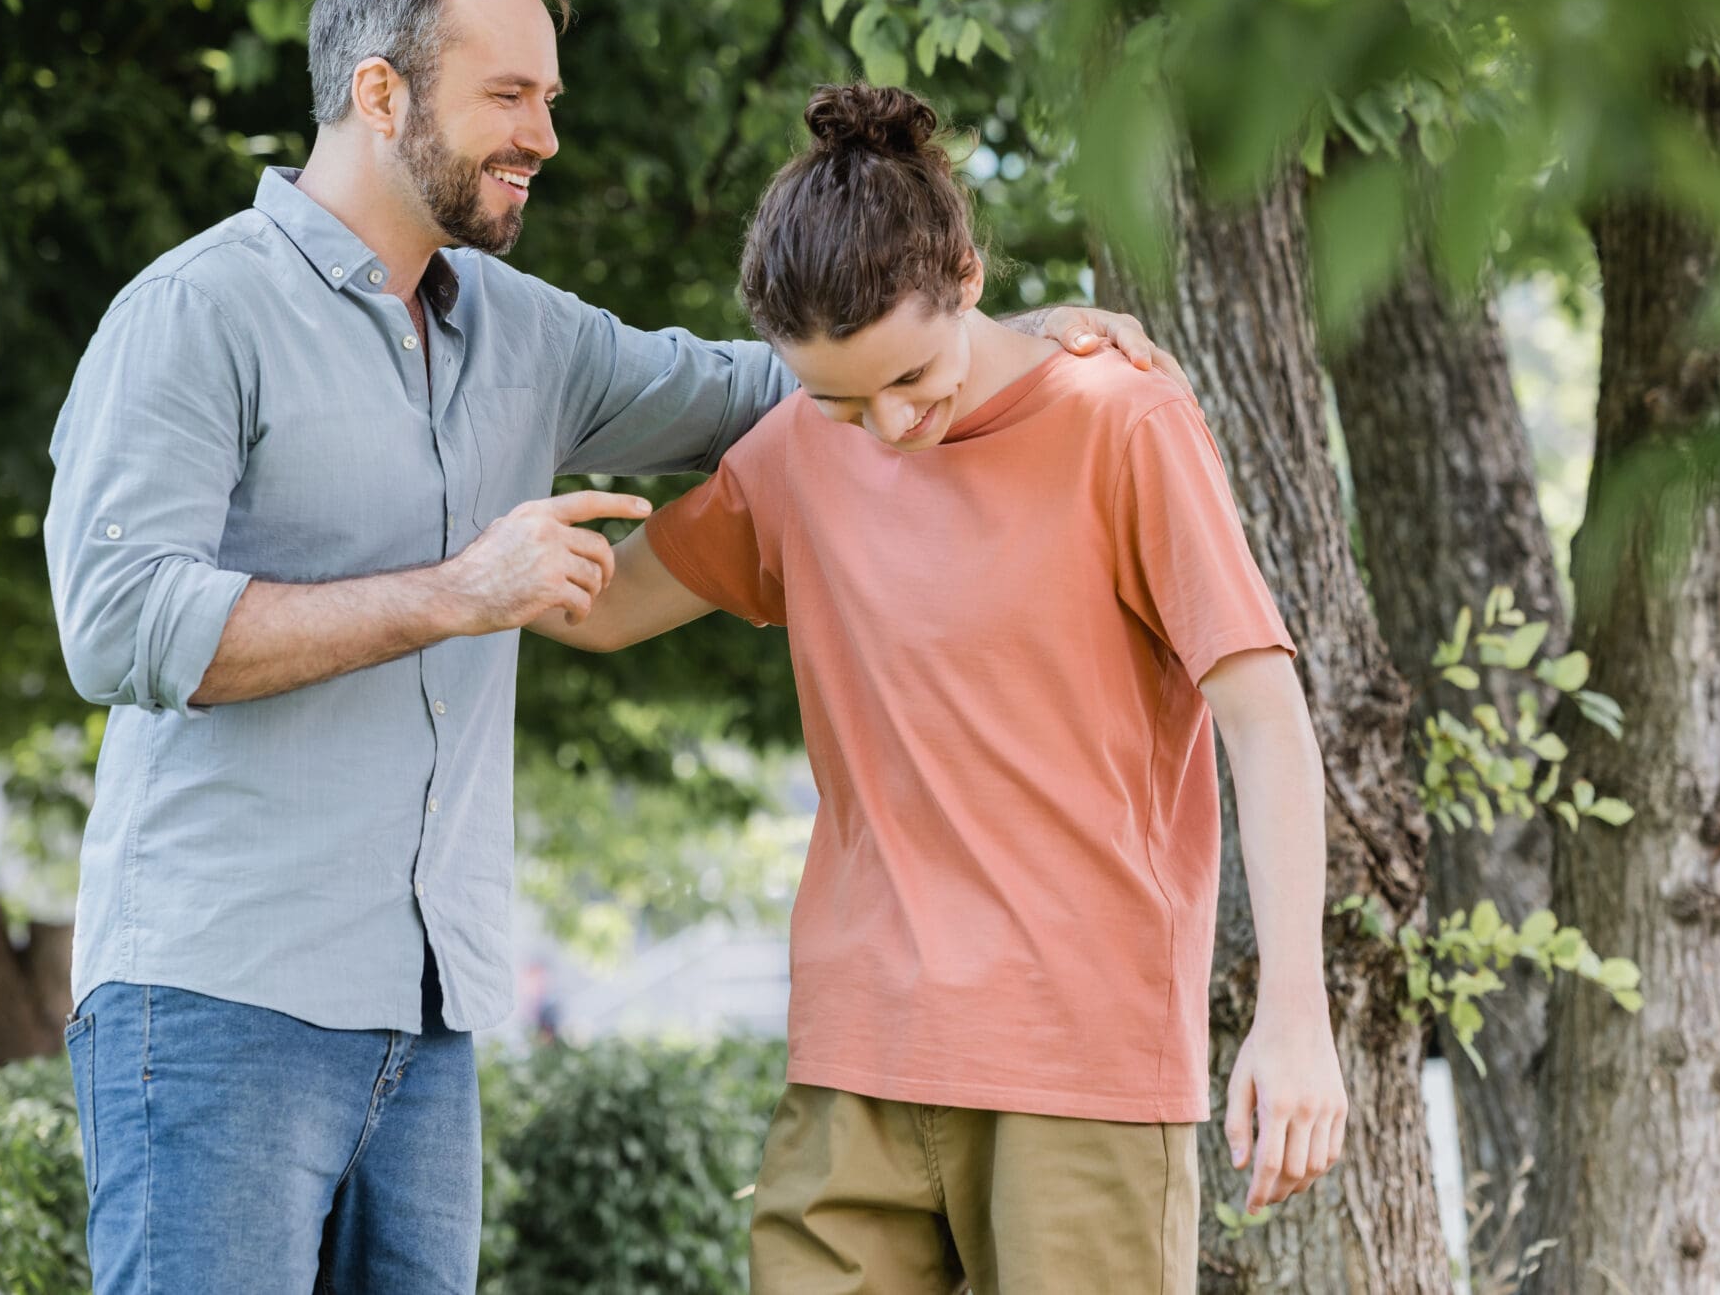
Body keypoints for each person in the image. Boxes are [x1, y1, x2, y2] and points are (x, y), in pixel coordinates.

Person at [43, 0, 1167, 1295]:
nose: (544, 137)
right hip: (217, 998)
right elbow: (121, 624)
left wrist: (1010, 339)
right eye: (508, 96)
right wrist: (460, 593)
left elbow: (783, 386)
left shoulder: (524, 333)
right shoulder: (197, 312)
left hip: (429, 1015)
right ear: (379, 93)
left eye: (550, 99)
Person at [531, 83, 1350, 1294]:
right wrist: (442, 521)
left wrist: (1294, 1013)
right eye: (841, 397)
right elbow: (595, 605)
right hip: (856, 1056)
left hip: (1078, 1061)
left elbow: (1264, 718)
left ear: (966, 275)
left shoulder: (1122, 420)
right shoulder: (801, 453)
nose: (891, 424)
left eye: (912, 376)